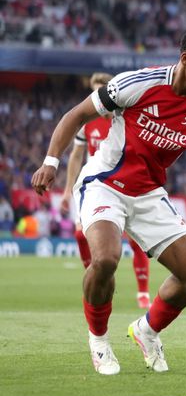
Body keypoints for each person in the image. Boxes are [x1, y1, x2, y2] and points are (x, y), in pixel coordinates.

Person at [31, 26, 186, 376]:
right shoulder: (137, 84)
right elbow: (75, 116)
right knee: (105, 259)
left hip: (149, 194)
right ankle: (99, 340)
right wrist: (51, 162)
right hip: (104, 183)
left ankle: (147, 330)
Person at [60, 72, 152, 309]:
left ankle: (143, 291)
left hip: (126, 184)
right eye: (94, 92)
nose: (98, 98)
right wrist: (67, 191)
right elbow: (76, 156)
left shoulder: (126, 118)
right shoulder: (87, 121)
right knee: (81, 235)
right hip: (96, 187)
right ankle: (96, 280)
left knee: (135, 241)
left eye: (101, 92)